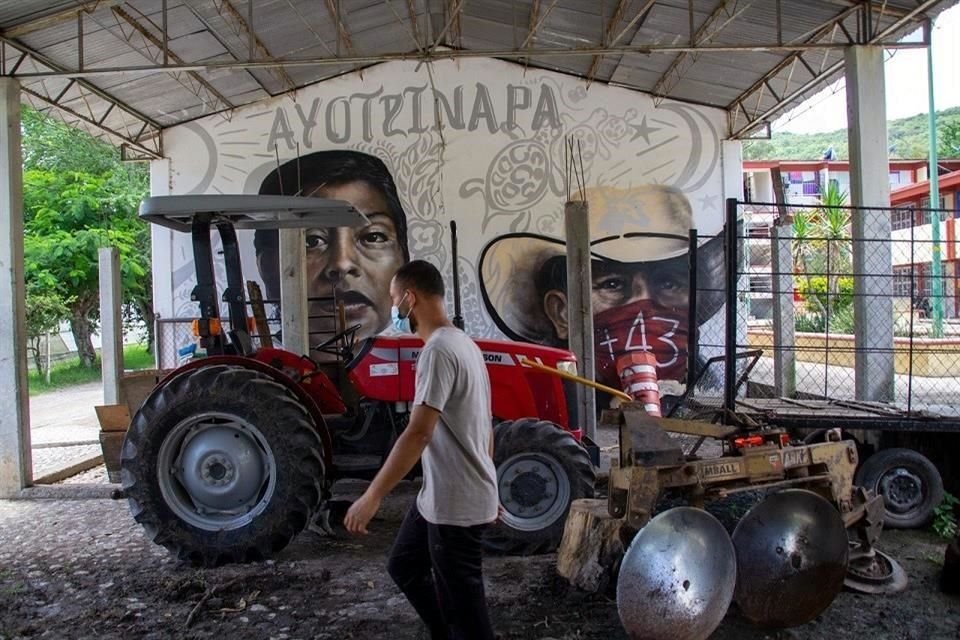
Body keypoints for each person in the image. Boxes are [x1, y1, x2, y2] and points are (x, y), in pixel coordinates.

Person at [344, 260, 499, 640]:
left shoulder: (437, 352)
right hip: (440, 495)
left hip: (455, 507)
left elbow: (417, 433)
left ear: (410, 299)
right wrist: (490, 482)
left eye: (396, 300)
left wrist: (372, 496)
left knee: (469, 618)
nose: (395, 310)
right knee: (404, 565)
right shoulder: (464, 343)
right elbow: (486, 424)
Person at [478, 184, 725, 402]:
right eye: (613, 284)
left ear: (696, 298)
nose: (642, 303)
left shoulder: (708, 391)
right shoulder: (557, 397)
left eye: (669, 283)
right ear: (561, 312)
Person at [254, 150, 410, 345]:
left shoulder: (416, 356)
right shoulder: (253, 368)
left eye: (373, 236)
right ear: (267, 267)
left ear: (403, 259)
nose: (342, 264)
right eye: (312, 241)